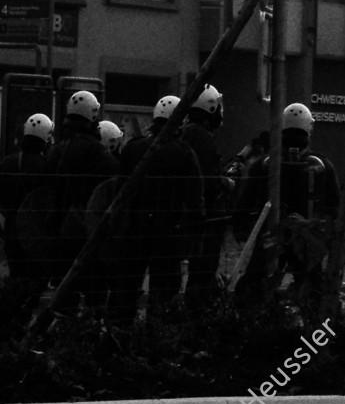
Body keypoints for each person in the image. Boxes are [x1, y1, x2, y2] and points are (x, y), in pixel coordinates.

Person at [234, 104, 340, 302]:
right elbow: (334, 206)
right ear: (309, 128)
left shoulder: (265, 163)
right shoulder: (322, 165)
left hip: (269, 236)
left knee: (254, 286)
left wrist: (241, 227)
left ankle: (253, 326)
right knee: (314, 291)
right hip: (306, 238)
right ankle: (321, 331)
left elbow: (246, 201)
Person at [110, 95, 204, 317]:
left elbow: (118, 192)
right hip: (167, 233)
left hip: (134, 230)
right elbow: (195, 199)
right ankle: (157, 338)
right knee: (163, 293)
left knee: (126, 288)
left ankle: (118, 333)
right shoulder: (184, 153)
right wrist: (193, 239)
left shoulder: (132, 149)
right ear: (180, 122)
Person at [42, 90, 119, 305]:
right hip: (88, 229)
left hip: (62, 229)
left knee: (66, 296)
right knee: (95, 293)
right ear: (93, 115)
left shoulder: (58, 150)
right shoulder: (96, 151)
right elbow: (114, 181)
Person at [179, 85, 231, 302]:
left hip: (189, 216)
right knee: (203, 271)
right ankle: (199, 312)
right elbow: (207, 181)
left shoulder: (186, 133)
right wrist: (225, 182)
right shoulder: (202, 138)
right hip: (205, 219)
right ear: (211, 108)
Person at [0, 113, 54, 287]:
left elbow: (0, 199)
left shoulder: (7, 162)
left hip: (12, 230)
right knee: (36, 281)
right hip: (37, 233)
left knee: (16, 278)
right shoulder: (47, 166)